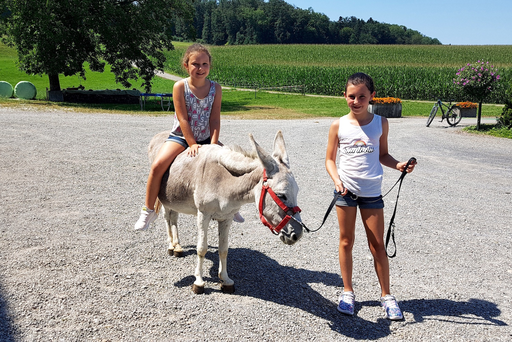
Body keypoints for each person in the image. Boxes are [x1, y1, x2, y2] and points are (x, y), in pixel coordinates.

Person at [325, 72, 416, 320]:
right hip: (345, 192)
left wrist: (398, 165)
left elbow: (383, 155)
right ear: (344, 96)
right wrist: (337, 180)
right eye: (351, 96)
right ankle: (347, 292)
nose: (356, 101)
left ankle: (387, 296)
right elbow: (330, 160)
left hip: (372, 193)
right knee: (346, 241)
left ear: (371, 97)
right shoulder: (338, 125)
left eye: (362, 97)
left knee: (377, 246)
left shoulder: (380, 123)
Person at [135, 43, 243, 231]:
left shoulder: (216, 88)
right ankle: (148, 210)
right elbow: (183, 119)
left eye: (204, 64)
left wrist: (214, 143)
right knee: (157, 166)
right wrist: (191, 143)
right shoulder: (179, 87)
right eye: (195, 64)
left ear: (210, 65)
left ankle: (233, 208)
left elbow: (215, 118)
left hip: (207, 137)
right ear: (186, 65)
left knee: (232, 163)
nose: (200, 68)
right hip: (181, 137)